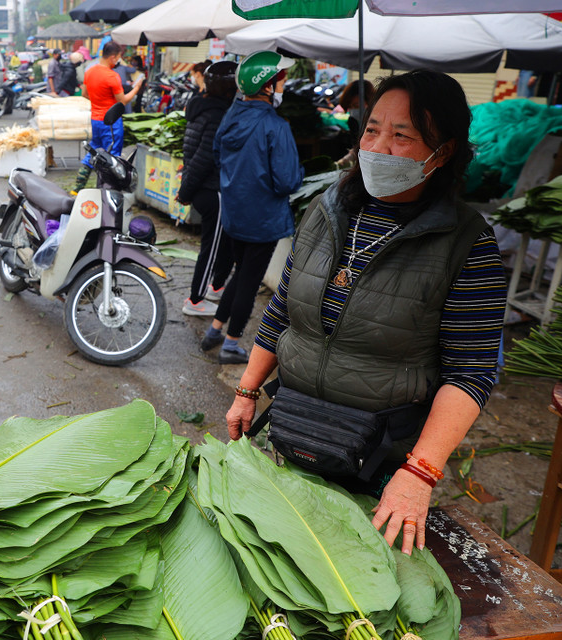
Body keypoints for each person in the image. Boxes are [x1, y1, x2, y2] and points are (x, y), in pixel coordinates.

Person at [225, 69, 507, 556]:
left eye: (402, 135)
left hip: (380, 454)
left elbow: (470, 373)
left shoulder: (467, 243)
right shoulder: (326, 207)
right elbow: (283, 308)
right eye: (373, 128)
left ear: (444, 152)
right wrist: (247, 391)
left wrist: (420, 472)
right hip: (293, 425)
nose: (379, 146)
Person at [203, 51, 303, 364]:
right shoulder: (276, 126)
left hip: (235, 213)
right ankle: (231, 344)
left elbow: (219, 158)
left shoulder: (232, 115)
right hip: (263, 218)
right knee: (249, 279)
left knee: (240, 272)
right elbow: (287, 181)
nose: (283, 84)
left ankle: (215, 329)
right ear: (267, 85)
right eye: (281, 79)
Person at [177, 61, 237, 319]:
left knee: (223, 242)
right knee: (211, 248)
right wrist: (186, 191)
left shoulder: (200, 107)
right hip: (211, 189)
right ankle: (195, 299)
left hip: (204, 187)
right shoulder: (218, 115)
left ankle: (215, 286)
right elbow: (203, 158)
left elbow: (192, 153)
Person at [70, 42, 143, 194]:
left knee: (93, 152)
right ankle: (109, 192)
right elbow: (122, 101)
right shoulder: (112, 76)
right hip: (111, 123)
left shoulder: (89, 71)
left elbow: (84, 94)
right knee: (112, 158)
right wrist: (136, 88)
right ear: (112, 57)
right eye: (118, 58)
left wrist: (98, 101)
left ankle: (77, 189)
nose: (118, 61)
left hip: (95, 119)